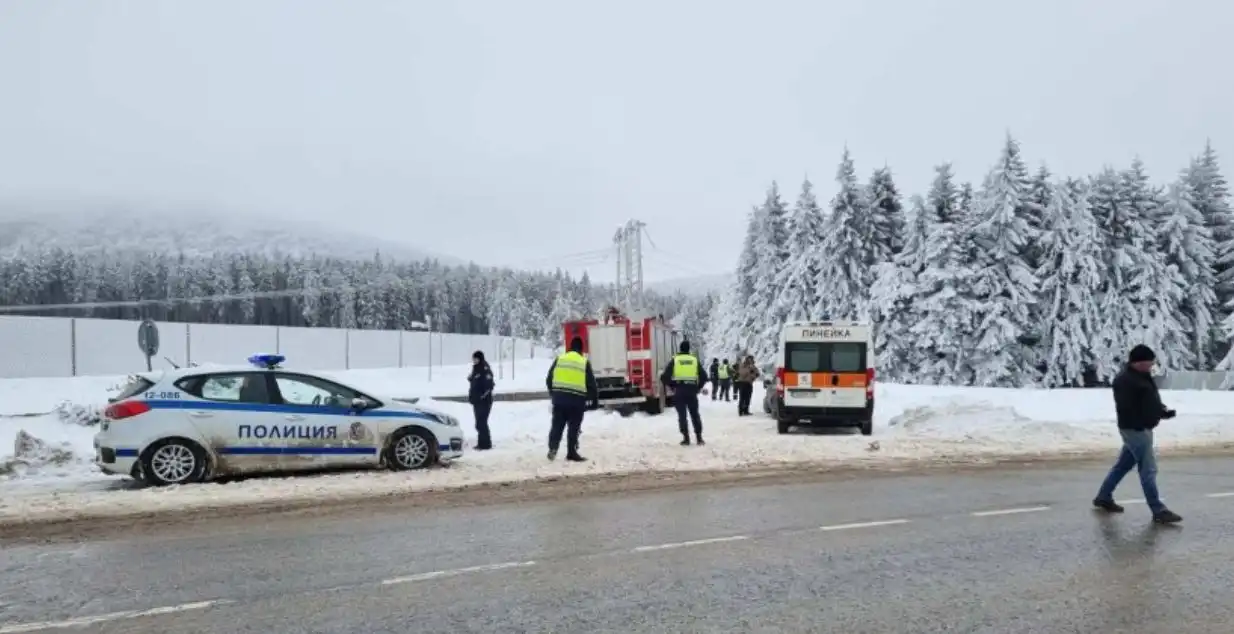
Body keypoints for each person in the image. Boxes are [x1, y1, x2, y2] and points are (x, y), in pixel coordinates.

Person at [1092, 344, 1182, 524]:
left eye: (1151, 363)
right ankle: (1158, 510)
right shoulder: (1125, 380)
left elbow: (1148, 401)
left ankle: (1103, 496)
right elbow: (1128, 408)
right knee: (1148, 470)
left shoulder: (1142, 376)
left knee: (1123, 465)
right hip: (1136, 430)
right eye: (1148, 363)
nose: (1150, 366)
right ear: (1137, 362)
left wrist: (1161, 411)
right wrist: (1144, 422)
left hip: (1141, 428)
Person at [544, 336, 598, 462]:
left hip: (559, 400)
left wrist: (554, 394)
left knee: (557, 425)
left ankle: (553, 448)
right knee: (574, 427)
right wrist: (592, 401)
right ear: (581, 349)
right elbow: (592, 385)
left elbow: (548, 379)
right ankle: (571, 452)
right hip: (576, 402)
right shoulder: (583, 362)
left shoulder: (560, 359)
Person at [661, 341, 706, 446]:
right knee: (695, 415)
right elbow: (704, 376)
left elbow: (664, 377)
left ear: (680, 349)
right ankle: (699, 438)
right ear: (688, 349)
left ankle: (686, 438)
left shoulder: (675, 360)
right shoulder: (694, 360)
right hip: (692, 391)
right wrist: (698, 387)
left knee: (682, 416)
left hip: (679, 391)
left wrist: (673, 386)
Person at [466, 351, 495, 450]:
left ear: (480, 358)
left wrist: (481, 397)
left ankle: (485, 444)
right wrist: (470, 379)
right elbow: (475, 381)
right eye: (473, 358)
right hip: (476, 401)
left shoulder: (485, 369)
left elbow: (489, 386)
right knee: (479, 423)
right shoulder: (476, 368)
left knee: (481, 422)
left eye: (475, 358)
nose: (473, 360)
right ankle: (482, 443)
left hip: (484, 402)